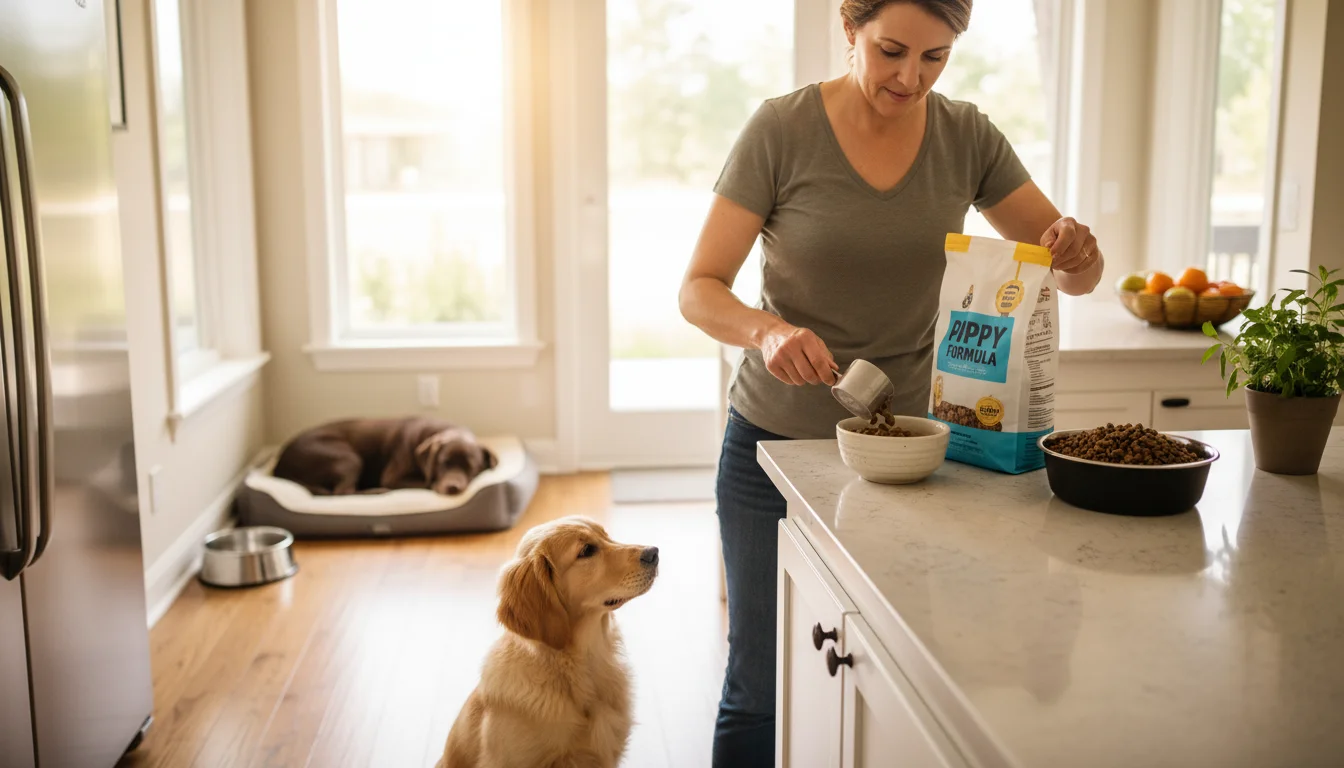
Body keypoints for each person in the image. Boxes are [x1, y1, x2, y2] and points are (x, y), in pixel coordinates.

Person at [678, 0, 1103, 764]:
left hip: (909, 456)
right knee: (759, 683)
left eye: (935, 57)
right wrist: (767, 331)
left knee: (895, 671)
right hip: (774, 449)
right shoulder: (780, 130)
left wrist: (1078, 250)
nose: (911, 78)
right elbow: (699, 288)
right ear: (850, 29)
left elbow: (1071, 274)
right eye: (891, 51)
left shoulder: (967, 137)